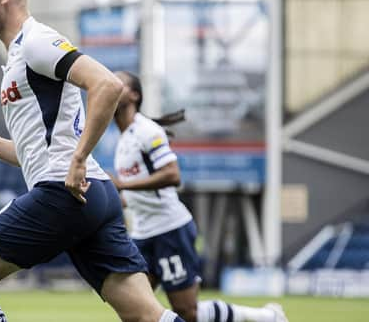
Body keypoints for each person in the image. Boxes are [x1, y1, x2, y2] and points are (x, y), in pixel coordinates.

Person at [0, 0, 185, 322]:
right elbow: (37, 154)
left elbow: (107, 85)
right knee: (148, 316)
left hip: (65, 193)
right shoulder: (21, 55)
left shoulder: (36, 41)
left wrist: (79, 159)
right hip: (94, 195)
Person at [110, 71, 288, 322]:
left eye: (118, 83)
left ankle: (265, 317)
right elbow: (136, 192)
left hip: (168, 230)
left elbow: (173, 175)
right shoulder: (123, 140)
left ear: (134, 95)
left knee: (187, 311)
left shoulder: (147, 131)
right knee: (135, 308)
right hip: (142, 234)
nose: (110, 85)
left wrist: (122, 184)